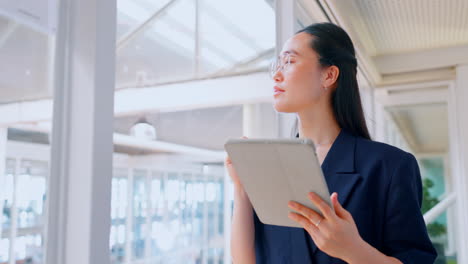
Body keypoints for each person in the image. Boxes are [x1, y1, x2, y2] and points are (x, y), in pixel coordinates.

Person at [225, 22, 437, 264]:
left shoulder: (391, 166)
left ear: (329, 75)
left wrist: (355, 251)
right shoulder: (272, 165)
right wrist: (242, 189)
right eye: (278, 64)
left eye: (290, 61)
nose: (277, 74)